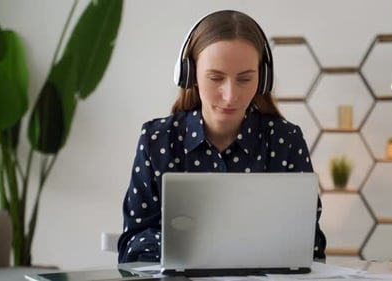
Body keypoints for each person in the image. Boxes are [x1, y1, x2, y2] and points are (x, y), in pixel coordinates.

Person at [117, 9, 326, 263]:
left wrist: (200, 246)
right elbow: (133, 244)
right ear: (189, 74)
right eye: (216, 78)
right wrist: (217, 247)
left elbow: (310, 243)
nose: (230, 95)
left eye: (245, 79)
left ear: (263, 79)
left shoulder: (287, 141)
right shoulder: (156, 139)